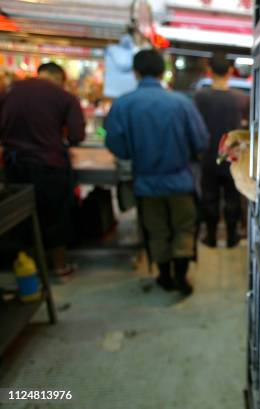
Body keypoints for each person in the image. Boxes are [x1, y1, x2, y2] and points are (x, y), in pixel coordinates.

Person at [105, 49, 209, 296]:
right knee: (184, 228)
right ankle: (181, 278)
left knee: (156, 231)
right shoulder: (182, 103)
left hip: (145, 184)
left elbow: (117, 147)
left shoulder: (123, 104)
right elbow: (201, 142)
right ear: (163, 72)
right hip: (181, 183)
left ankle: (164, 276)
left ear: (136, 72)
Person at [0, 62, 85, 278]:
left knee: (19, 217)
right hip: (49, 166)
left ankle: (25, 267)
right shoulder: (64, 97)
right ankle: (60, 267)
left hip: (14, 165)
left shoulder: (10, 91)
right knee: (56, 217)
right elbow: (76, 136)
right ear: (59, 78)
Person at [194, 54, 249, 248]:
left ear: (209, 71)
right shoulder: (241, 99)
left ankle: (210, 238)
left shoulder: (200, 97)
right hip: (233, 157)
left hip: (208, 156)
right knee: (233, 198)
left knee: (209, 197)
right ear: (229, 72)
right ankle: (232, 238)